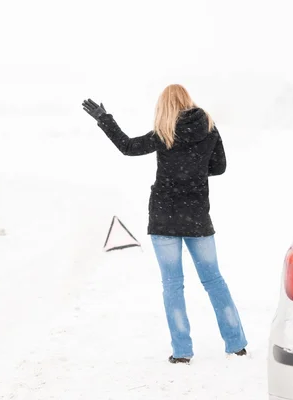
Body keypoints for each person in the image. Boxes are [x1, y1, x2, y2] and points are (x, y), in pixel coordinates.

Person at [82, 84, 247, 364]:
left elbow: (128, 146)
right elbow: (219, 167)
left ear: (165, 106)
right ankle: (236, 345)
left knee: (173, 285)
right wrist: (194, 170)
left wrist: (104, 119)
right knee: (214, 281)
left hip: (164, 217)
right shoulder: (209, 127)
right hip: (197, 217)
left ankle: (182, 352)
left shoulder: (164, 132)